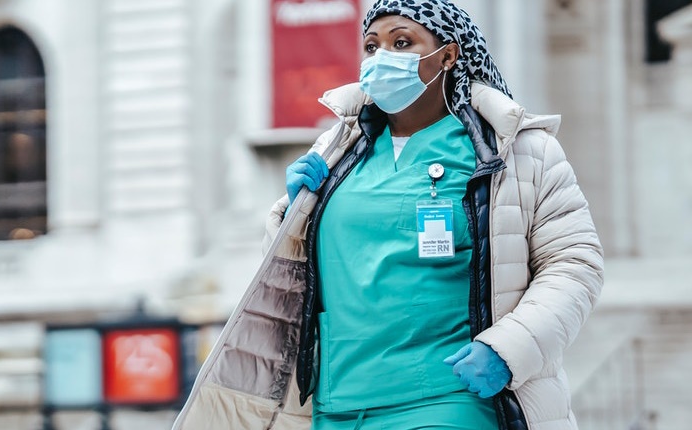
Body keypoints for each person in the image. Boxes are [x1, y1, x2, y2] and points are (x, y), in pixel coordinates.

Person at [172, 1, 603, 429]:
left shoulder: (521, 152)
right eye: (372, 46)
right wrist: (290, 217)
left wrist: (510, 348)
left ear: (449, 55)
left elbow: (574, 264)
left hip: (448, 398)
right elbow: (301, 281)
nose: (382, 58)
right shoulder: (333, 151)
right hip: (337, 404)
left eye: (401, 42)